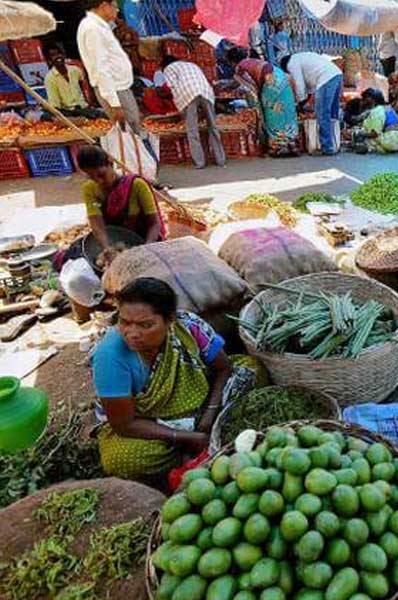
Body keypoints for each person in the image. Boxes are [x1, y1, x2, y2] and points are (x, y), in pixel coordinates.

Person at [91, 278, 266, 480]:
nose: (132, 333)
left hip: (202, 406)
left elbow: (223, 369)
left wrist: (209, 416)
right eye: (124, 322)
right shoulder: (110, 355)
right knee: (122, 460)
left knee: (251, 369)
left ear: (170, 320)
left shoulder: (187, 327)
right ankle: (201, 443)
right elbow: (124, 424)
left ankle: (206, 438)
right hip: (150, 424)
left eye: (145, 325)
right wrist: (183, 437)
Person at [77, 145, 165, 249]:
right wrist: (107, 249)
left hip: (144, 239)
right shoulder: (89, 188)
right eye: (91, 177)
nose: (99, 181)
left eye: (101, 175)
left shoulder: (137, 185)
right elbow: (97, 224)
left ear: (110, 163)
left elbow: (154, 224)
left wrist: (146, 248)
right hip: (114, 241)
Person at [77, 0, 143, 135]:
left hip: (118, 87)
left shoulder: (99, 26)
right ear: (103, 6)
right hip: (114, 89)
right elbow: (101, 67)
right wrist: (115, 104)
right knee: (130, 134)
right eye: (114, 6)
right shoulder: (92, 29)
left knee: (133, 130)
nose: (117, 10)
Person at [161, 56, 225, 169]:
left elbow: (172, 86)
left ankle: (200, 163)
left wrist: (180, 108)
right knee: (213, 127)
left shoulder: (168, 68)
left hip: (187, 94)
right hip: (206, 92)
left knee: (192, 130)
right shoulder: (192, 65)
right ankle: (220, 160)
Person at [234, 58, 300, 157]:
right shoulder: (254, 62)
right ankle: (291, 143)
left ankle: (279, 146)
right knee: (286, 110)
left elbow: (251, 86)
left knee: (272, 114)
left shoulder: (240, 67)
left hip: (270, 81)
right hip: (281, 78)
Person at [280, 52, 343, 155]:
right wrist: (304, 102)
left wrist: (299, 103)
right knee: (332, 114)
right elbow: (309, 89)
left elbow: (300, 85)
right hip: (336, 74)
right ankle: (336, 144)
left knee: (322, 114)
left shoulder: (292, 63)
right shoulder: (302, 57)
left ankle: (327, 147)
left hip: (326, 78)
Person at [43, 42, 98, 117]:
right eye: (53, 55)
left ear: (63, 55)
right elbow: (55, 103)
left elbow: (84, 86)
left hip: (83, 108)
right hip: (66, 111)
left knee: (100, 114)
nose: (58, 57)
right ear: (49, 60)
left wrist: (87, 102)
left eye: (59, 53)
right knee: (46, 116)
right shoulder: (49, 78)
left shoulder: (75, 70)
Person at [358, 88, 398, 153]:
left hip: (391, 142)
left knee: (367, 140)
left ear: (373, 100)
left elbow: (374, 134)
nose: (363, 102)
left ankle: (376, 147)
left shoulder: (377, 111)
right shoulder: (388, 107)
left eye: (365, 99)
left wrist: (360, 134)